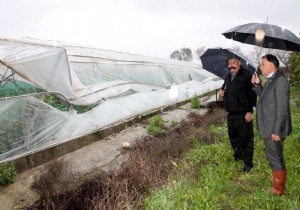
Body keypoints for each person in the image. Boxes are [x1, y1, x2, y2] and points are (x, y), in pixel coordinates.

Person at [252, 54, 292, 196]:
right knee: (273, 155)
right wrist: (257, 85)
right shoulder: (271, 79)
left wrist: (276, 131)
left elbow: (281, 109)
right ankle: (277, 184)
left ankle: (278, 189)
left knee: (276, 156)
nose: (261, 67)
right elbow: (265, 97)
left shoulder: (280, 81)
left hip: (274, 128)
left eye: (263, 64)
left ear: (272, 65)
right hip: (269, 125)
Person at [219, 55, 257, 172]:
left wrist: (249, 111)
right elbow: (227, 91)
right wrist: (222, 94)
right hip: (231, 114)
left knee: (246, 138)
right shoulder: (228, 77)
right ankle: (239, 154)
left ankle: (248, 164)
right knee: (234, 137)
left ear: (239, 63)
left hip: (243, 113)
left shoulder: (246, 76)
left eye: (233, 62)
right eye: (229, 63)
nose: (231, 65)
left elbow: (252, 94)